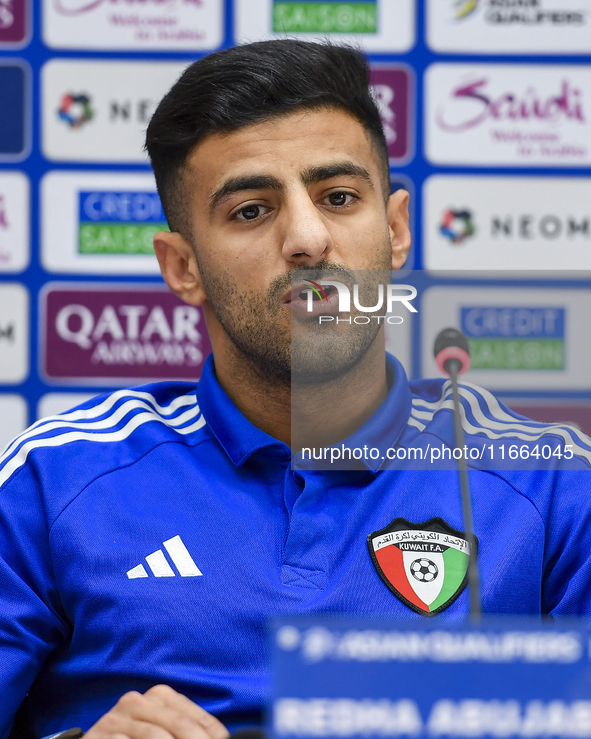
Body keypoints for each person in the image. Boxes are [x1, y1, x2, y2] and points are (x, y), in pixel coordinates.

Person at [2, 39, 591, 739]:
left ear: (395, 229)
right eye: (250, 210)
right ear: (182, 266)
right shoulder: (52, 478)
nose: (307, 238)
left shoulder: (552, 487)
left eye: (338, 197)